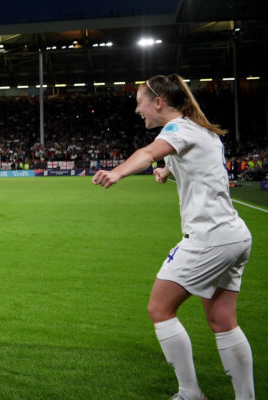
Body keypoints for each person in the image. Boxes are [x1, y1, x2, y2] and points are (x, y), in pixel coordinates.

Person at [92, 74, 253, 400]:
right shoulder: (201, 131)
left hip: (209, 237)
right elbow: (198, 165)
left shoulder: (177, 128)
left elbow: (148, 151)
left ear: (159, 102)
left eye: (140, 104)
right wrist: (168, 170)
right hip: (235, 236)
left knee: (159, 309)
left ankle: (190, 392)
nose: (138, 111)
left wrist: (118, 172)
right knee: (223, 320)